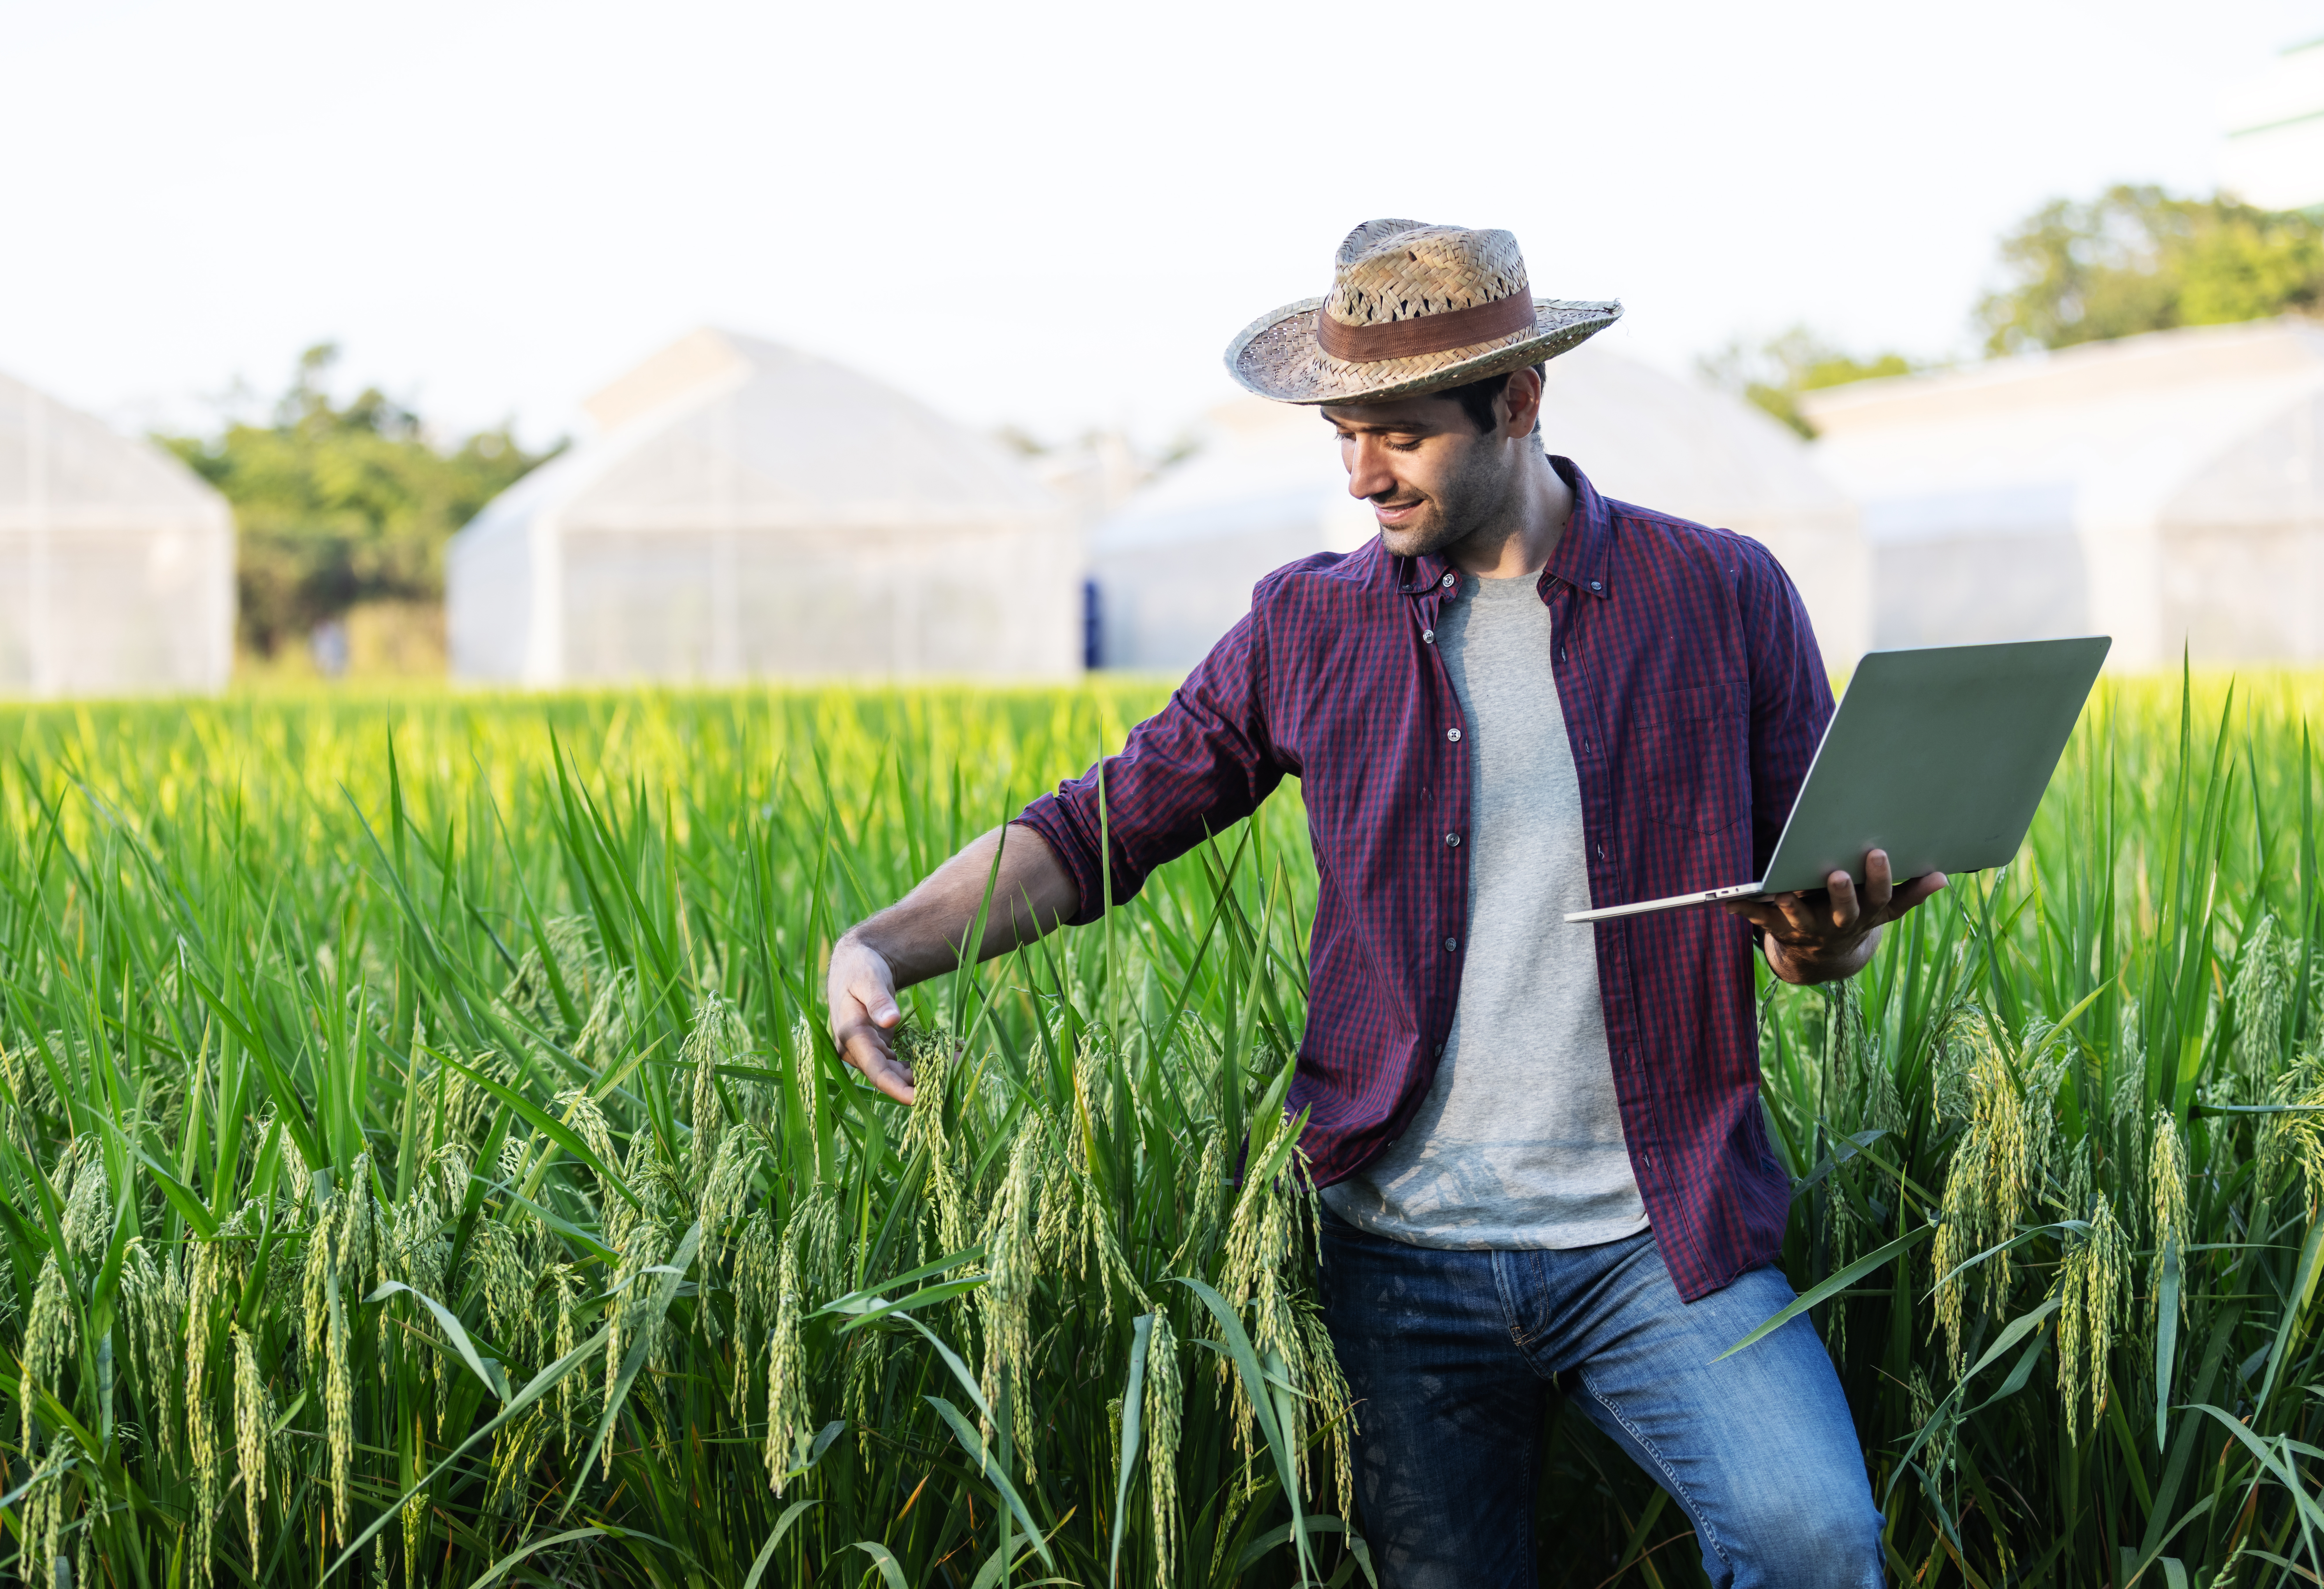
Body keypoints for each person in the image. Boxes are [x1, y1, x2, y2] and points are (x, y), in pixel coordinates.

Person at [825, 219, 1943, 1588]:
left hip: (1663, 1237)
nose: (1361, 473)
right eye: (1341, 433)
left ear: (1518, 402)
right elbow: (1091, 832)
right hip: (1396, 1258)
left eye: (1399, 434)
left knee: (1810, 1536)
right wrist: (880, 942)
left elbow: (1805, 907)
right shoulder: (1308, 628)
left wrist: (1828, 941)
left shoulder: (1715, 595)